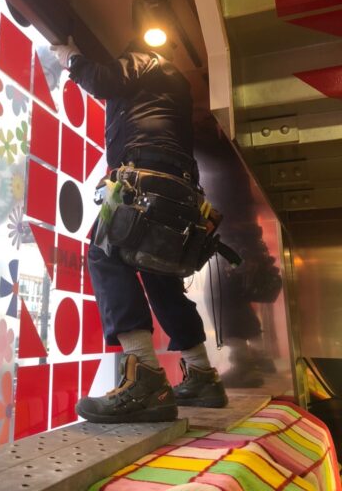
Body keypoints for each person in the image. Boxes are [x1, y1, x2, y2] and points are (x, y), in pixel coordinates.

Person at [50, 36, 228, 423]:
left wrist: (71, 56)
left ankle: (144, 375)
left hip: (147, 181)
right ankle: (201, 375)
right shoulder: (175, 85)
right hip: (177, 189)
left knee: (105, 253)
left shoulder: (146, 59)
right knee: (159, 274)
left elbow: (103, 81)